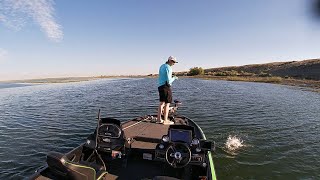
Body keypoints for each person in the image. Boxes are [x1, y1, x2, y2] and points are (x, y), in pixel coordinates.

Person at [157, 56, 178, 125]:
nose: (174, 63)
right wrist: (174, 78)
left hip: (160, 86)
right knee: (167, 103)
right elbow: (169, 81)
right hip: (166, 87)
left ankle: (159, 119)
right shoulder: (169, 67)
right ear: (169, 60)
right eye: (173, 61)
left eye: (175, 62)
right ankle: (165, 120)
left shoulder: (162, 66)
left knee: (161, 103)